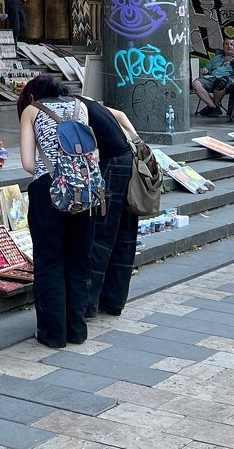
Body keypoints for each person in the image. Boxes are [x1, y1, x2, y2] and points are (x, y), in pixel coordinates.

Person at [17, 74, 97, 347]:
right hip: (85, 191)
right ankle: (77, 330)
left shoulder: (31, 111)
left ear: (32, 95)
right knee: (78, 259)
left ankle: (53, 334)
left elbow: (28, 164)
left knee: (50, 260)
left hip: (49, 191)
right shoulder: (81, 108)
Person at [75, 93, 140, 317]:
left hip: (112, 165)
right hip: (126, 160)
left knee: (101, 234)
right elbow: (120, 115)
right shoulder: (88, 101)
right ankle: (113, 301)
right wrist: (137, 143)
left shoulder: (73, 108)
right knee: (124, 233)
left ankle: (88, 304)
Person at [191, 41, 234, 116]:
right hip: (212, 78)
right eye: (226, 44)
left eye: (231, 44)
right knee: (195, 84)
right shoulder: (216, 58)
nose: (229, 46)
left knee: (221, 83)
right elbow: (206, 69)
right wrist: (204, 70)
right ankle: (214, 107)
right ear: (223, 47)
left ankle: (211, 107)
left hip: (227, 80)